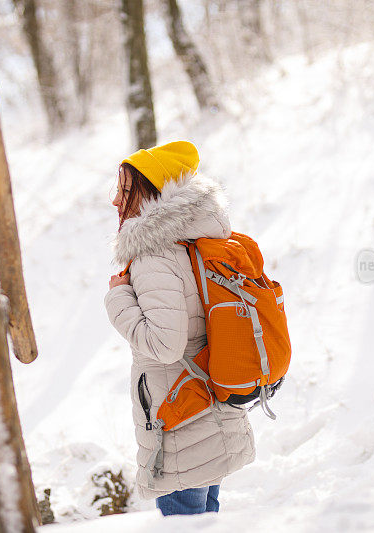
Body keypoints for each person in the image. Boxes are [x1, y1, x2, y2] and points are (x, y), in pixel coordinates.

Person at [104, 141, 256, 516]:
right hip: (210, 408)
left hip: (179, 419)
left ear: (153, 193)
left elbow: (165, 344)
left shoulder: (154, 255)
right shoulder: (199, 243)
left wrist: (118, 298)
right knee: (205, 520)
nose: (116, 201)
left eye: (126, 190)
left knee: (185, 522)